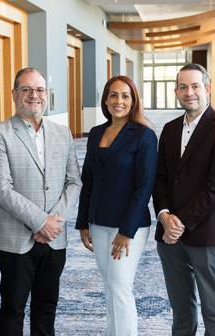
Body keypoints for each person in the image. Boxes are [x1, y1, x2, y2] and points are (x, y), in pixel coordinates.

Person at [0, 67, 82, 336]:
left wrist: (53, 223)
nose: (33, 95)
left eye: (39, 90)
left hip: (54, 238)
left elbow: (74, 182)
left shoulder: (63, 132)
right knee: (13, 309)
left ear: (46, 94)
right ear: (15, 94)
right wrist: (41, 222)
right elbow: (1, 189)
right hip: (16, 240)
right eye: (26, 89)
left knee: (46, 307)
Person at [152, 63, 215, 336]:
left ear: (208, 89)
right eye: (183, 87)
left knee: (214, 307)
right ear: (176, 92)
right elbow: (160, 178)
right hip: (169, 235)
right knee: (180, 307)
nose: (189, 92)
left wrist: (181, 221)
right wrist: (165, 216)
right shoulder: (169, 129)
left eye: (195, 86)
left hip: (207, 233)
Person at [75, 75, 157, 336]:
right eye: (113, 95)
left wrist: (126, 231)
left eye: (125, 96)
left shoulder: (143, 135)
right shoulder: (97, 132)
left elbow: (144, 188)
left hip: (129, 225)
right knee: (109, 286)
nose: (118, 100)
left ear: (133, 101)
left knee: (120, 286)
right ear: (106, 99)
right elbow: (87, 179)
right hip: (99, 222)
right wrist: (82, 222)